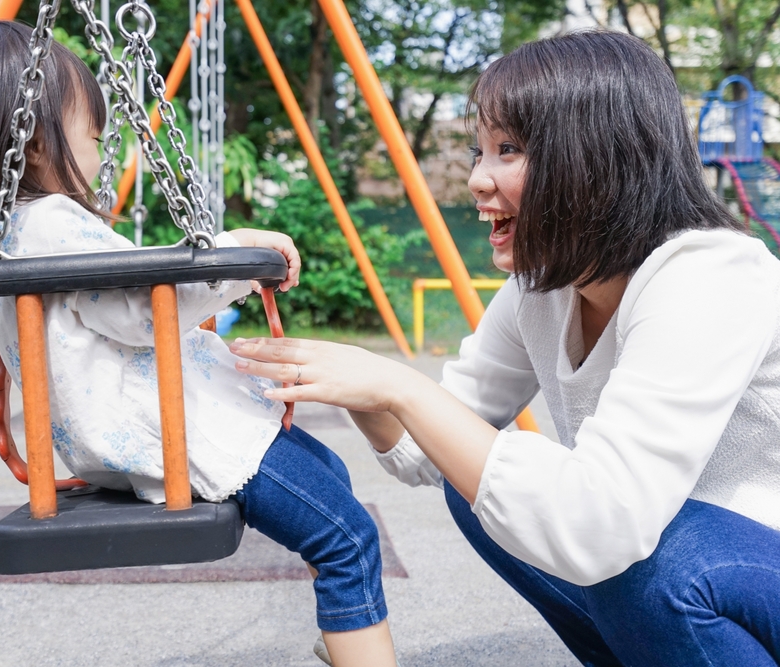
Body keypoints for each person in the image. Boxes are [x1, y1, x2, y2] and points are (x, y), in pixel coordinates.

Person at [231, 29, 780, 666]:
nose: (476, 180)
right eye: (479, 152)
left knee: (647, 562)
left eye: (508, 150)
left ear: (598, 157)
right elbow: (425, 449)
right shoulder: (544, 289)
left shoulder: (708, 276)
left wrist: (400, 385)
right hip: (673, 555)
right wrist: (352, 383)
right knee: (480, 489)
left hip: (747, 555)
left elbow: (602, 523)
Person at [0, 21, 397, 667]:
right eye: (91, 133)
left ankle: (344, 632)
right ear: (32, 140)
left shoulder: (4, 231)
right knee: (349, 537)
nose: (100, 144)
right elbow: (142, 308)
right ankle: (360, 650)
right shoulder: (50, 221)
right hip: (185, 434)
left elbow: (122, 295)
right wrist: (235, 256)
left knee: (329, 479)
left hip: (145, 436)